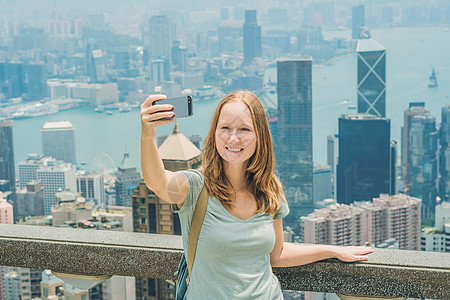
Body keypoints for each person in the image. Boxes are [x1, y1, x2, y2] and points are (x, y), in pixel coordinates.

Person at [140, 90, 373, 299]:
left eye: (244, 129)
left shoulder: (269, 189)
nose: (233, 138)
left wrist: (332, 251)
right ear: (214, 133)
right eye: (225, 128)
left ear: (259, 136)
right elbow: (158, 183)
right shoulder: (194, 187)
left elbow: (277, 254)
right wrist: (148, 134)